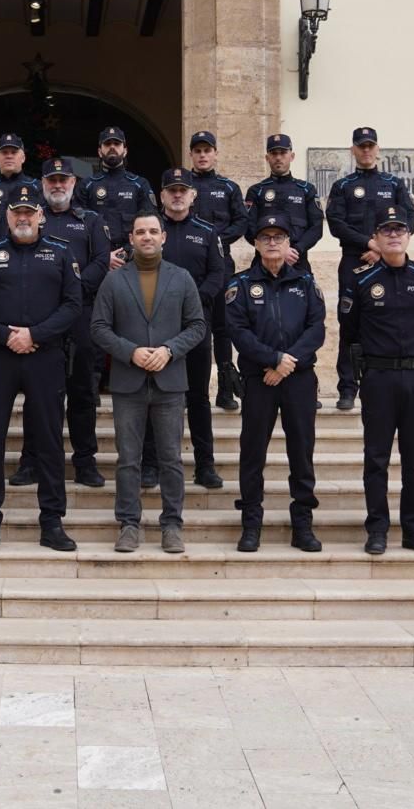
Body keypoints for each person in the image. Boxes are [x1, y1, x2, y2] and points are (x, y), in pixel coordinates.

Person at [0, 188, 82, 552]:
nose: (24, 218)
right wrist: (5, 335)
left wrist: (35, 335)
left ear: (40, 215)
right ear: (8, 215)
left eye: (30, 212)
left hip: (45, 356)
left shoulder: (61, 253)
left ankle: (52, 521)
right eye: (18, 212)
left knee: (48, 440)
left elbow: (73, 304)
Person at [91, 212, 206, 553]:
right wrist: (131, 352)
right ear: (131, 237)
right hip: (129, 382)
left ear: (163, 237)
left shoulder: (182, 278)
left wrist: (170, 350)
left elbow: (197, 326)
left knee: (170, 457)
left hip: (170, 382)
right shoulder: (114, 281)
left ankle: (172, 524)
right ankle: (129, 524)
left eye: (153, 231)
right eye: (140, 231)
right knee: (128, 457)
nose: (147, 237)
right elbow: (98, 327)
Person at [340, 206, 414, 556]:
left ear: (409, 235)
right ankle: (378, 529)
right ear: (376, 237)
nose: (394, 235)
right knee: (376, 458)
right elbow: (350, 330)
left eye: (400, 229)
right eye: (386, 230)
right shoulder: (363, 280)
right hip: (379, 379)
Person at [225, 213, 326, 553]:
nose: (272, 242)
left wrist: (286, 363)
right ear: (255, 243)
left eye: (278, 237)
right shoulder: (239, 285)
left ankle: (303, 526)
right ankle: (251, 523)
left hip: (297, 378)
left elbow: (317, 329)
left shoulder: (306, 283)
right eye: (265, 236)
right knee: (253, 453)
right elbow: (238, 332)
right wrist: (273, 360)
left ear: (288, 244)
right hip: (259, 379)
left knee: (302, 452)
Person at [10, 157, 110, 488]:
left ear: (73, 184)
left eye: (63, 180)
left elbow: (101, 260)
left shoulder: (91, 220)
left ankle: (85, 461)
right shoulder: (32, 219)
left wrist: (73, 289)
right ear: (42, 184)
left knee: (82, 392)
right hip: (42, 318)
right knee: (38, 394)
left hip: (81, 315)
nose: (57, 185)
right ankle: (30, 461)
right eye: (51, 180)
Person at [140, 167, 225, 490]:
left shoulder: (206, 232)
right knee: (151, 396)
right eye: (171, 190)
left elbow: (218, 275)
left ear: (192, 195)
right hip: (153, 328)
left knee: (199, 398)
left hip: (193, 329)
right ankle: (150, 464)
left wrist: (192, 303)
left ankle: (205, 465)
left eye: (182, 190)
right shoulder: (149, 230)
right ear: (161, 196)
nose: (177, 195)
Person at [326, 126, 414, 411]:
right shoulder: (342, 186)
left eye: (370, 146)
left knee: (386, 322)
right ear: (353, 150)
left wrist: (384, 250)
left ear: (377, 149)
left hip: (387, 264)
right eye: (360, 146)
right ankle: (348, 388)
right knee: (349, 324)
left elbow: (409, 219)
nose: (366, 151)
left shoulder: (393, 184)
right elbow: (336, 223)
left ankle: (379, 386)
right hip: (354, 262)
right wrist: (369, 243)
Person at [189, 130, 248, 411]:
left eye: (207, 150)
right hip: (189, 269)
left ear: (215, 154)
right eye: (197, 151)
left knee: (222, 329)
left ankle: (225, 389)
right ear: (191, 154)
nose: (202, 155)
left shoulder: (228, 187)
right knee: (187, 326)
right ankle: (190, 389)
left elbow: (241, 223)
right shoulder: (182, 185)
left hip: (222, 266)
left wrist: (215, 240)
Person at [77, 125, 156, 269]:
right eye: (107, 144)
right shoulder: (86, 185)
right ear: (100, 151)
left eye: (117, 143)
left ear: (125, 150)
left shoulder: (139, 184)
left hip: (132, 262)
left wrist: (125, 253)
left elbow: (149, 223)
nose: (112, 147)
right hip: (95, 262)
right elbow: (79, 227)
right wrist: (102, 257)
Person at [244, 134, 323, 272]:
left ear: (291, 156)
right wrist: (273, 251)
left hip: (297, 261)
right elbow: (249, 228)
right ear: (267, 158)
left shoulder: (306, 190)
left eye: (283, 153)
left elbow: (316, 228)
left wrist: (295, 250)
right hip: (263, 263)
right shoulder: (256, 191)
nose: (278, 157)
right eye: (274, 153)